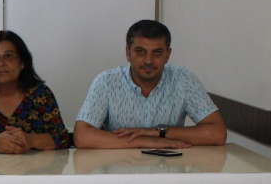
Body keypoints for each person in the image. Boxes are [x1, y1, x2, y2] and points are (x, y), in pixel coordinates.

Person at [74, 19, 226, 149]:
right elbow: (81, 136)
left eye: (157, 52)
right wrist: (145, 141)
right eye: (140, 51)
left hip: (169, 170)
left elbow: (217, 134)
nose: (148, 60)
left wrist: (159, 132)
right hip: (120, 171)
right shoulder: (106, 81)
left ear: (168, 55)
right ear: (128, 53)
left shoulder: (183, 79)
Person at [0, 30, 69, 153]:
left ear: (22, 63)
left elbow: (62, 138)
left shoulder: (40, 94)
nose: (0, 63)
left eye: (8, 56)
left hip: (32, 164)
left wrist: (31, 140)